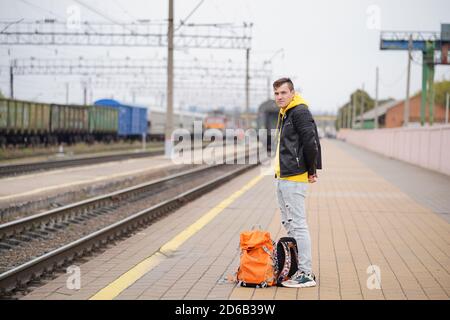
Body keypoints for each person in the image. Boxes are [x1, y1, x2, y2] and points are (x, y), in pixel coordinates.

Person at [273, 77, 322, 288]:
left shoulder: (300, 111)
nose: (279, 97)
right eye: (276, 93)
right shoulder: (287, 112)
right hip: (283, 176)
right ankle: (297, 268)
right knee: (289, 223)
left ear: (292, 93)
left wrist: (311, 170)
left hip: (294, 177)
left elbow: (311, 142)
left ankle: (306, 273)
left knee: (299, 225)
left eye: (283, 92)